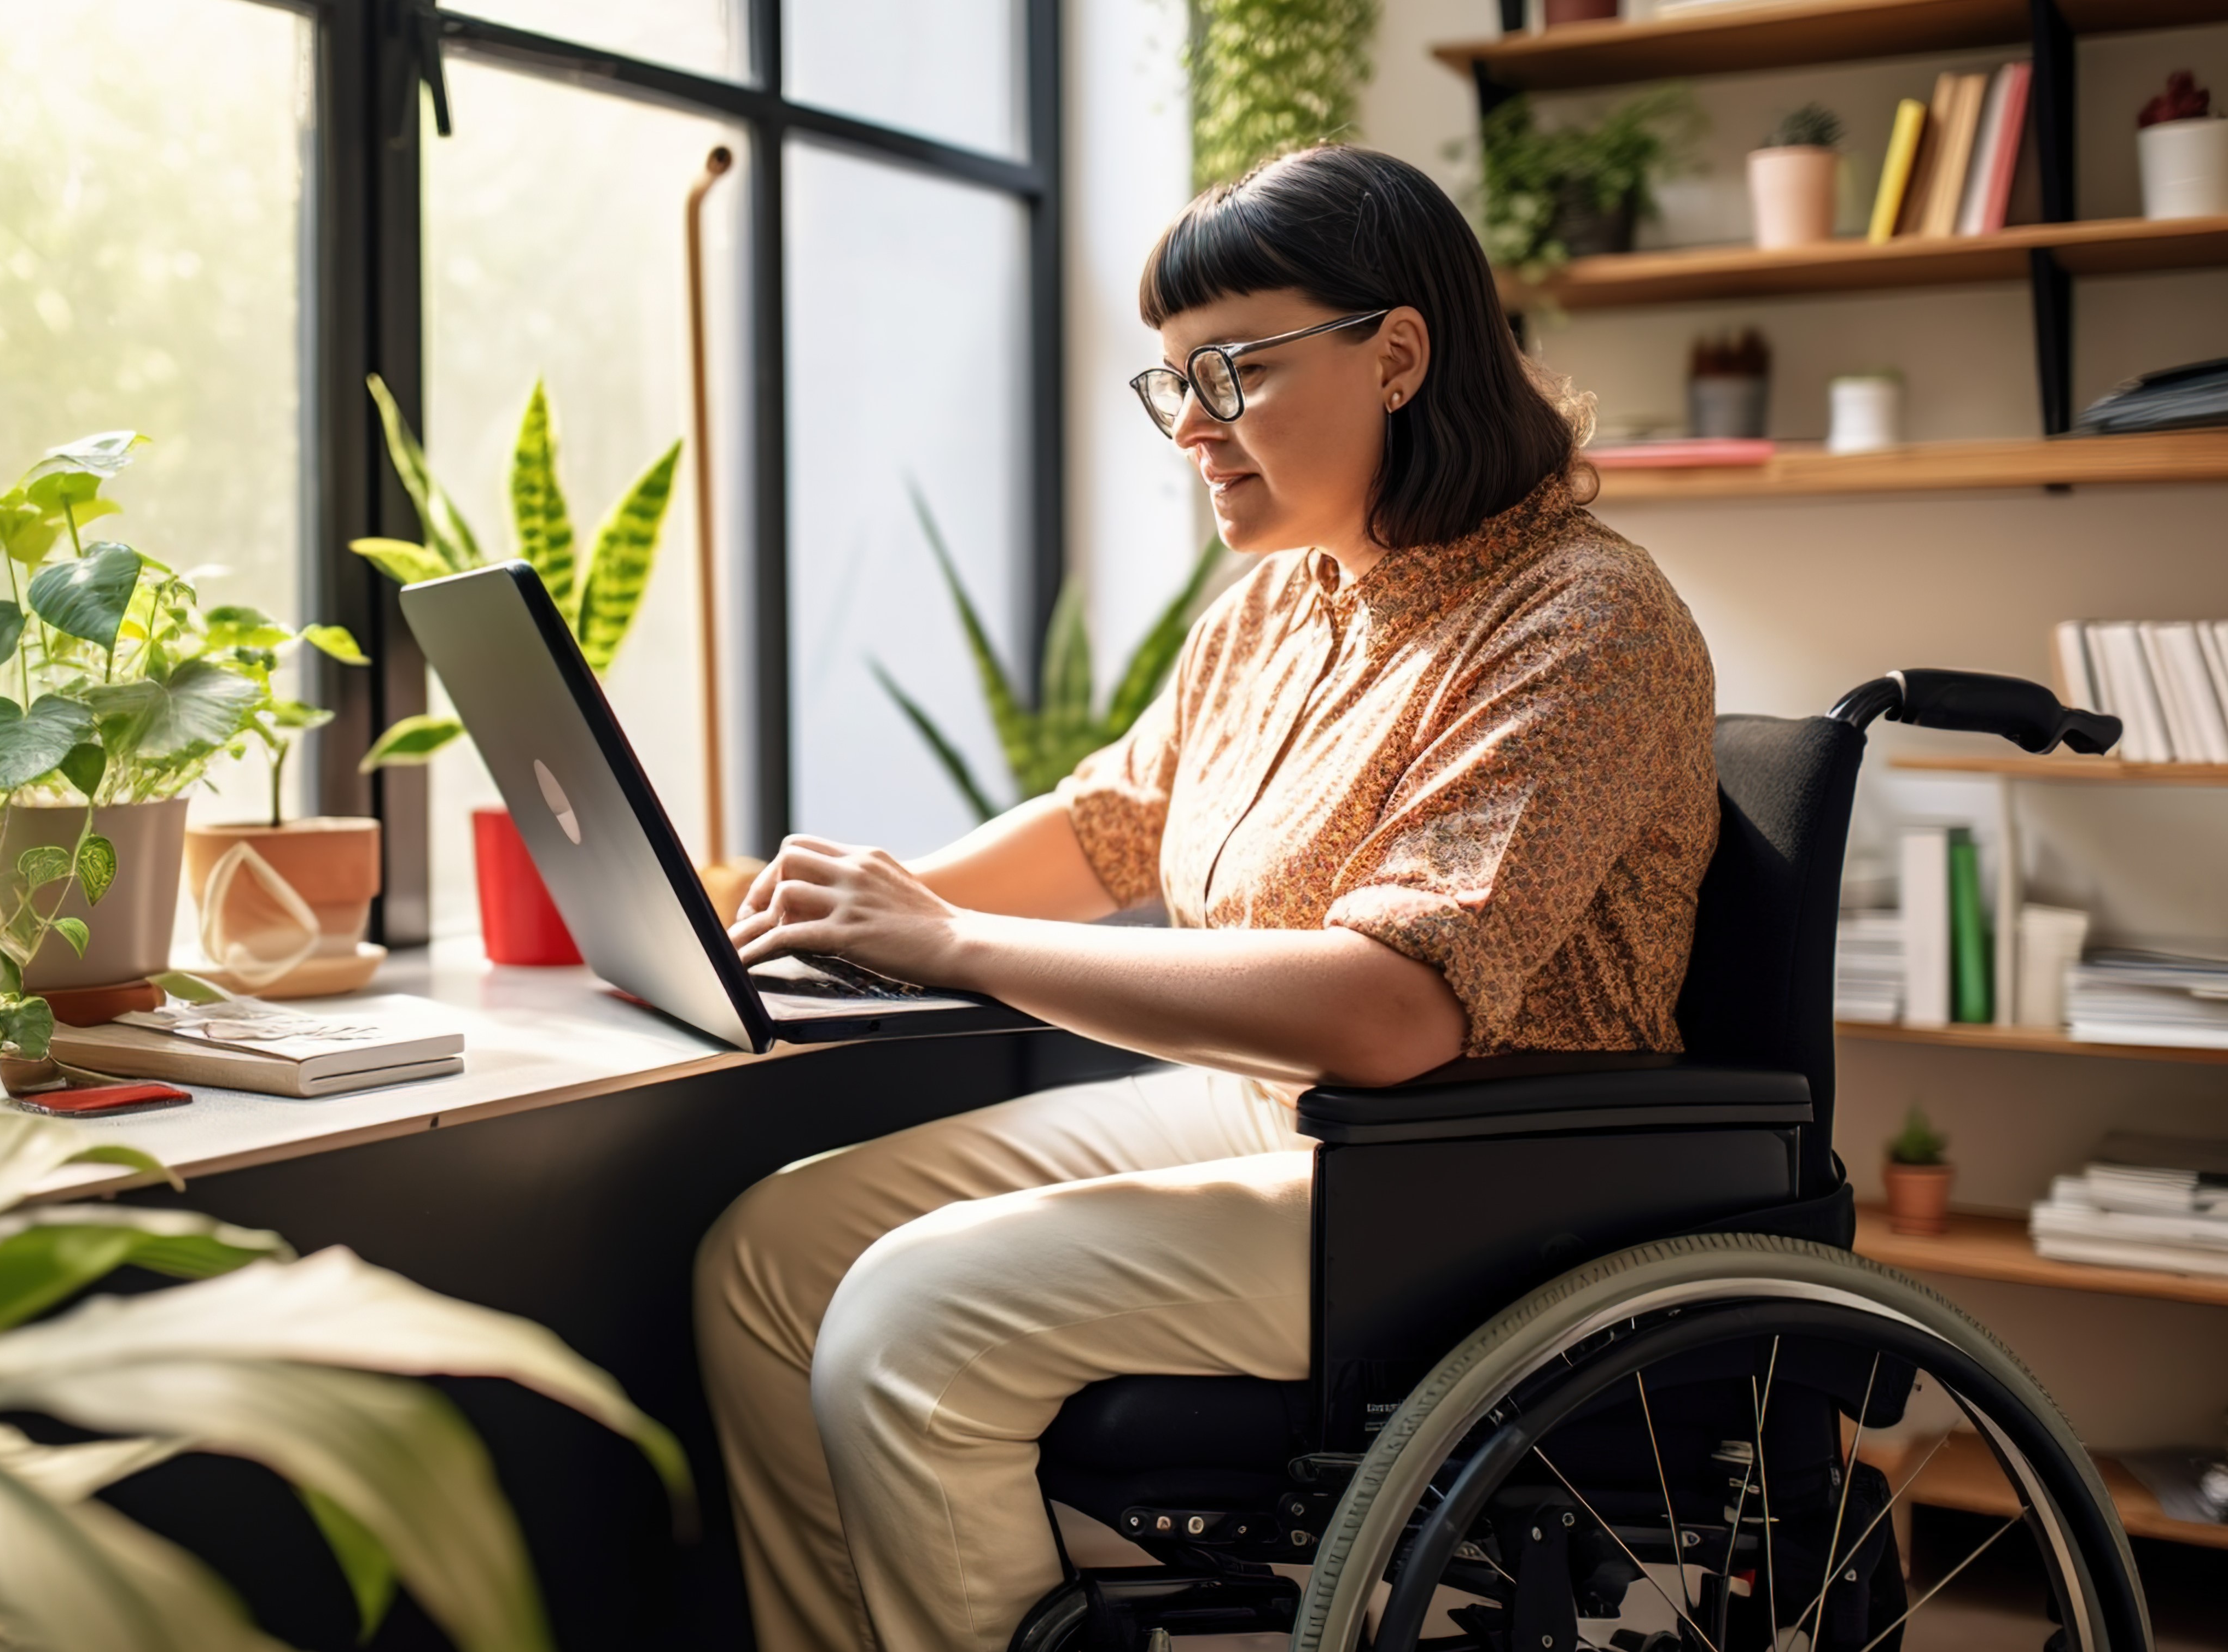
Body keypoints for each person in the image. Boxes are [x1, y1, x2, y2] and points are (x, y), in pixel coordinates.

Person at [695, 144, 1719, 1652]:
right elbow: (1112, 825)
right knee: (768, 1263)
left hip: (1471, 1175)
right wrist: (855, 909)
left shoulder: (1585, 623)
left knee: (912, 1320)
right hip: (1275, 1115)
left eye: (1230, 371)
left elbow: (1387, 1010)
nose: (1188, 423)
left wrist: (952, 943)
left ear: (1396, 356)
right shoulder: (1280, 602)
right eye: (1169, 379)